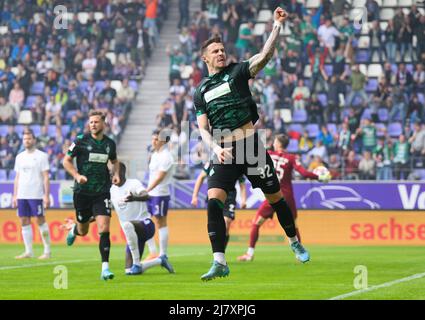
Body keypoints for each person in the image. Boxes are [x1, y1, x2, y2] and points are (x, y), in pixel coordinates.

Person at [194, 7, 311, 281]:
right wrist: (214, 148)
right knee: (213, 203)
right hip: (224, 151)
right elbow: (202, 128)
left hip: (250, 146)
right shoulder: (200, 92)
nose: (221, 53)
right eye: (215, 51)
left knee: (276, 199)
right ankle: (219, 261)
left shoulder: (237, 71)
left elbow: (265, 56)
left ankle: (294, 240)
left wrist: (277, 26)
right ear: (204, 58)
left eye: (223, 49)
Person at [61, 163, 175, 275]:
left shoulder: (133, 183)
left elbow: (146, 195)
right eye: (110, 174)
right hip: (132, 235)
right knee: (129, 271)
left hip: (145, 225)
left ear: (122, 172)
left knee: (127, 225)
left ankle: (136, 263)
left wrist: (134, 198)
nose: (111, 176)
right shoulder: (110, 191)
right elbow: (100, 214)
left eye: (113, 173)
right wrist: (79, 223)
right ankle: (160, 260)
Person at [237, 134, 330, 262]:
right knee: (293, 225)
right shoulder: (292, 158)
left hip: (272, 193)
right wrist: (319, 177)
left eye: (275, 141)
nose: (274, 143)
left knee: (256, 223)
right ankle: (299, 255)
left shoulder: (268, 154)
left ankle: (249, 254)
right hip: (287, 195)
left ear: (278, 143)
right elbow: (303, 172)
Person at [62, 110, 120, 281]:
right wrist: (77, 176)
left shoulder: (110, 144)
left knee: (104, 228)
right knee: (83, 229)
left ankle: (105, 269)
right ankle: (74, 229)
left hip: (102, 191)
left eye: (96, 122)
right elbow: (66, 160)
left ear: (103, 123)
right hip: (82, 193)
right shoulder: (80, 140)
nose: (93, 124)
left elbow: (115, 161)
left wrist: (116, 174)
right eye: (91, 122)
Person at [13, 130, 51, 260]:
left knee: (40, 220)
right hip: (22, 194)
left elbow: (46, 177)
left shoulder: (42, 156)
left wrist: (46, 195)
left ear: (33, 140)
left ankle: (47, 251)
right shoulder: (19, 157)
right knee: (24, 220)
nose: (27, 141)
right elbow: (17, 178)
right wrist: (14, 196)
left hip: (36, 194)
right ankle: (28, 251)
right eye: (24, 139)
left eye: (29, 138)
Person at [191, 161, 247, 250]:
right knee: (216, 223)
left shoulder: (237, 163)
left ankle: (221, 253)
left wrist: (243, 199)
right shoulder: (212, 161)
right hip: (215, 194)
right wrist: (194, 196)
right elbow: (201, 177)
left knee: (226, 223)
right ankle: (218, 254)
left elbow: (242, 185)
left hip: (230, 196)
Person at [144, 130, 174, 262]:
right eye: (152, 139)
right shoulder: (155, 154)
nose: (153, 141)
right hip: (151, 193)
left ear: (163, 141)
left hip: (160, 194)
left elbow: (160, 177)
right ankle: (153, 251)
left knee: (160, 222)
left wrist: (147, 189)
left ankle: (163, 253)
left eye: (156, 139)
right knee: (144, 220)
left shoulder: (167, 156)